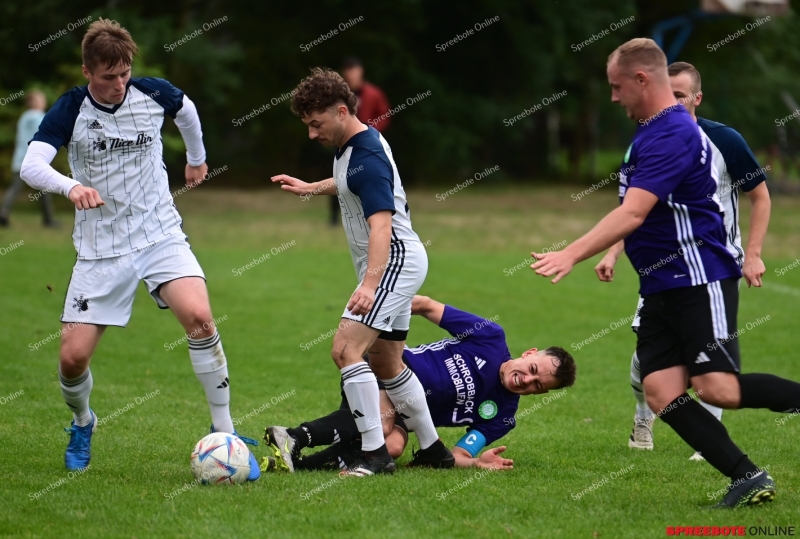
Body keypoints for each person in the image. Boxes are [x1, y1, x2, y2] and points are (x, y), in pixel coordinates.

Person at [531, 38, 800, 508]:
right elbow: (639, 216)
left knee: (718, 388)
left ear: (641, 80)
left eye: (617, 86)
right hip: (661, 284)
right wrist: (614, 253)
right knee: (659, 389)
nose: (613, 96)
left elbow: (634, 212)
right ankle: (746, 476)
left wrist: (571, 253)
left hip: (699, 278)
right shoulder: (650, 132)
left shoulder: (673, 133)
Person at [19, 18, 260, 480]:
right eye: (108, 76)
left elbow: (187, 110)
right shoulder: (70, 109)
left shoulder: (152, 93)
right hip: (101, 249)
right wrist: (71, 187)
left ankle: (225, 432)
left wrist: (197, 159)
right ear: (88, 71)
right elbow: (31, 165)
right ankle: (83, 422)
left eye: (125, 73)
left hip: (159, 234)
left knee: (200, 318)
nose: (119, 85)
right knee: (71, 359)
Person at [271, 68, 451, 476]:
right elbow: (348, 182)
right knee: (387, 362)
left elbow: (381, 226)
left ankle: (375, 455)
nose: (311, 134)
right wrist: (311, 187)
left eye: (316, 124)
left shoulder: (366, 156)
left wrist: (370, 284)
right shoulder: (353, 145)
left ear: (340, 111)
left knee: (345, 350)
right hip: (400, 262)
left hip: (392, 263)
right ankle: (434, 450)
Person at [594, 62, 771, 459]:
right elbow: (638, 209)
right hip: (661, 270)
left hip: (714, 266)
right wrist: (613, 250)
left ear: (697, 98)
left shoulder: (724, 140)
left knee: (711, 367)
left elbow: (760, 197)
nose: (670, 103)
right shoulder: (651, 141)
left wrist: (754, 254)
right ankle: (643, 415)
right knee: (647, 363)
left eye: (679, 96)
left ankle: (712, 449)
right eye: (666, 94)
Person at [263, 295, 576, 472]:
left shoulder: (503, 416)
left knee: (393, 447)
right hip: (386, 366)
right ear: (529, 353)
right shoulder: (490, 337)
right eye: (532, 369)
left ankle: (299, 465)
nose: (527, 380)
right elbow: (426, 305)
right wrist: (378, 314)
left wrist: (477, 463)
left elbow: (458, 454)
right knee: (383, 422)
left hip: (403, 414)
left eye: (537, 386)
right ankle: (292, 436)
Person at [327, 57, 392, 226]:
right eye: (348, 70)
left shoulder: (373, 93)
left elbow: (385, 115)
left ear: (361, 71)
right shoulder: (339, 96)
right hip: (344, 142)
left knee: (369, 178)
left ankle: (375, 213)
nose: (352, 74)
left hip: (367, 143)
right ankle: (335, 216)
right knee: (339, 177)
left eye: (354, 70)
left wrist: (370, 129)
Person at [0, 90, 58, 228]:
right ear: (35, 102)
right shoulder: (39, 116)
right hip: (36, 159)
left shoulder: (24, 117)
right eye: (41, 100)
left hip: (20, 158)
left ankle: (3, 213)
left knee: (15, 188)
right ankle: (48, 219)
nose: (43, 102)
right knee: (45, 188)